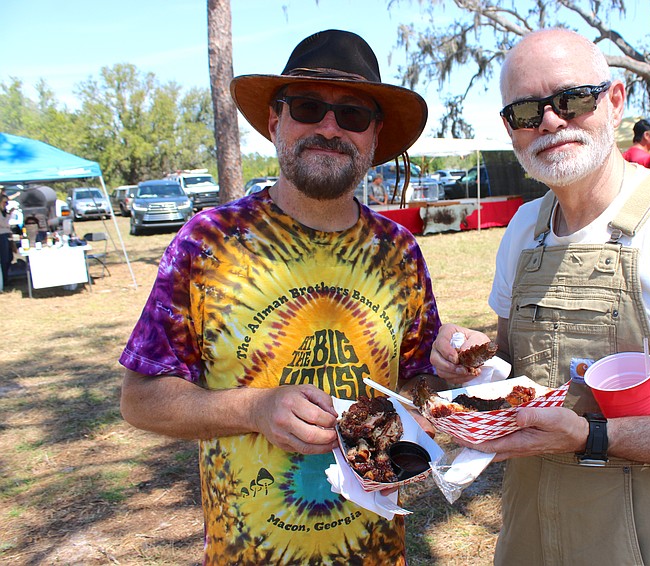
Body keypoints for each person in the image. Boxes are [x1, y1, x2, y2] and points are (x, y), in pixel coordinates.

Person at [430, 28, 650, 565]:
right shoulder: (524, 230)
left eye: (572, 100)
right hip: (527, 538)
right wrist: (470, 364)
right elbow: (513, 371)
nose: (551, 121)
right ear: (511, 130)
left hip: (643, 547)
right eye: (527, 112)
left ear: (615, 101)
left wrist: (589, 435)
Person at [119, 29, 442, 565]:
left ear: (374, 136)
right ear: (275, 121)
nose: (329, 128)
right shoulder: (209, 242)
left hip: (377, 554)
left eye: (353, 115)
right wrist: (255, 407)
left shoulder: (399, 252)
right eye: (309, 107)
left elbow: (417, 381)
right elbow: (140, 399)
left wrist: (437, 396)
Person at [0, 193, 12, 289]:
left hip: (6, 234)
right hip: (1, 235)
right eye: (5, 202)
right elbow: (4, 223)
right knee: (5, 258)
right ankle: (4, 280)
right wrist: (10, 215)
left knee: (9, 257)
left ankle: (6, 277)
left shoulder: (3, 212)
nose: (6, 205)